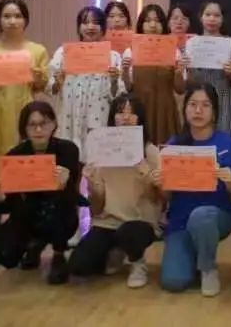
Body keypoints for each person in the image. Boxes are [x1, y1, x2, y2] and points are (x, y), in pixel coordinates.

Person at [157, 83, 231, 296]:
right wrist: (160, 183)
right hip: (180, 221)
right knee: (173, 281)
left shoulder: (228, 143)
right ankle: (194, 255)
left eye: (205, 105)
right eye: (193, 104)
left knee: (201, 216)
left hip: (217, 216)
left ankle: (207, 268)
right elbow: (165, 197)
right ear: (184, 108)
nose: (198, 111)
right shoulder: (174, 145)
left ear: (214, 111)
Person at [68, 94, 162, 288]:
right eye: (120, 112)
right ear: (112, 118)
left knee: (130, 233)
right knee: (78, 265)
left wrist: (146, 174)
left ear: (140, 119)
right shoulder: (101, 151)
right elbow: (96, 208)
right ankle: (116, 252)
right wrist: (93, 186)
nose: (126, 117)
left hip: (140, 222)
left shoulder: (151, 152)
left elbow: (157, 200)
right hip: (107, 222)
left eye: (132, 113)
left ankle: (137, 262)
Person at [0, 101, 80, 285]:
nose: (38, 129)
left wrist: (65, 182)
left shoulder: (68, 149)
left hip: (60, 212)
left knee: (59, 204)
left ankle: (59, 254)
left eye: (44, 123)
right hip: (28, 215)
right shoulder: (14, 155)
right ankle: (33, 245)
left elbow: (73, 190)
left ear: (53, 124)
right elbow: (9, 202)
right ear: (24, 129)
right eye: (32, 125)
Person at [0, 0, 49, 187]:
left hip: (24, 110)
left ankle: (23, 204)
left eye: (18, 16)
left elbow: (41, 87)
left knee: (23, 161)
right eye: (6, 16)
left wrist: (35, 76)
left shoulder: (37, 51)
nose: (12, 21)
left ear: (26, 20)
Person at [48, 6, 123, 156]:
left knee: (96, 160)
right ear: (79, 27)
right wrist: (57, 82)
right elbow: (52, 89)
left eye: (95, 22)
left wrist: (114, 81)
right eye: (85, 22)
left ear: (103, 28)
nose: (90, 27)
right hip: (70, 118)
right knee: (69, 160)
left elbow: (116, 96)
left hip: (98, 118)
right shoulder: (64, 53)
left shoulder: (113, 56)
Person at [122, 4, 185, 145]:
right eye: (148, 21)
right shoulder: (130, 51)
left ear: (163, 25)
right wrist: (125, 71)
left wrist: (178, 72)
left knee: (165, 150)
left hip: (165, 109)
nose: (152, 25)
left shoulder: (174, 51)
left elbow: (180, 89)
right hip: (140, 108)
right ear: (141, 25)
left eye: (157, 21)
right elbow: (128, 88)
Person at [184, 1, 231, 136]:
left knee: (223, 136)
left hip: (223, 97)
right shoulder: (191, 43)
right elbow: (187, 82)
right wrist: (185, 68)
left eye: (216, 15)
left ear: (222, 19)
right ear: (201, 17)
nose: (212, 19)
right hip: (198, 97)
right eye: (208, 14)